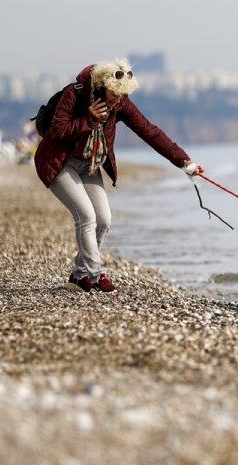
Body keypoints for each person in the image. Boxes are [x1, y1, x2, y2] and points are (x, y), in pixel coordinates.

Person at [33, 59, 203, 293]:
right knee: (86, 216)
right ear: (101, 86)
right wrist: (89, 120)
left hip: (90, 164)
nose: (118, 100)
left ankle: (78, 275)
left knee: (103, 220)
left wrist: (184, 161)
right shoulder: (75, 94)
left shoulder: (121, 102)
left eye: (123, 95)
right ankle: (95, 275)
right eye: (115, 94)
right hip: (60, 162)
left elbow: (149, 131)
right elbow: (57, 132)